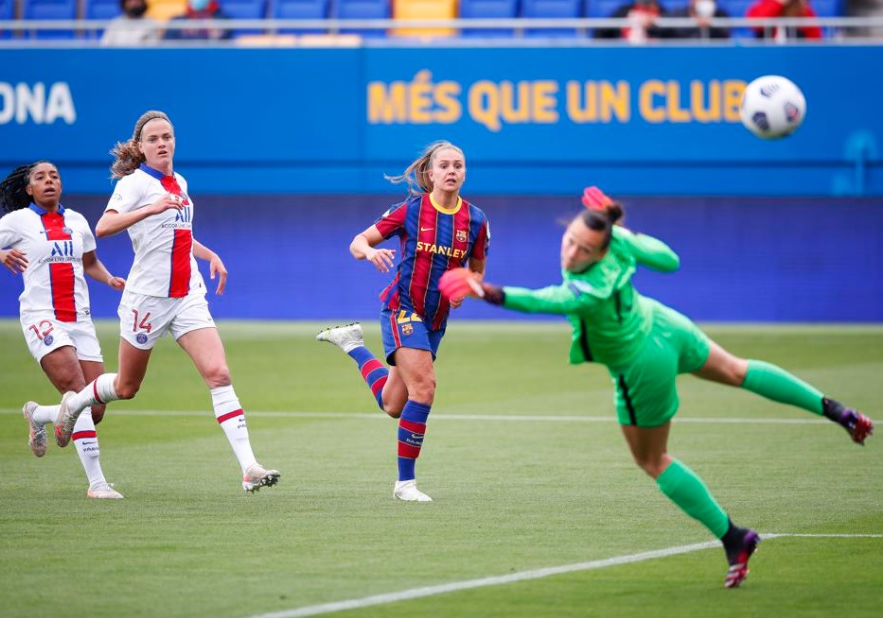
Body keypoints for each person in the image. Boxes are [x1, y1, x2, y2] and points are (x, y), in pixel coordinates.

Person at [440, 186, 873, 587]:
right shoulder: (618, 247)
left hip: (642, 364)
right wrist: (619, 228)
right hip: (665, 325)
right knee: (739, 371)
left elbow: (547, 301)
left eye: (584, 248)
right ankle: (836, 411)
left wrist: (488, 291)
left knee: (652, 460)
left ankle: (733, 537)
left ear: (601, 250)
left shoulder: (588, 288)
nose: (571, 252)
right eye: (569, 239)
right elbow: (668, 260)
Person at [46, 110, 280, 494]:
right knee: (126, 387)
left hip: (186, 294)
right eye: (153, 138)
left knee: (219, 373)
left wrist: (209, 255)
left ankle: (249, 468)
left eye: (167, 136)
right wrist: (149, 207)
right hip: (148, 299)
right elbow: (103, 227)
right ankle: (74, 405)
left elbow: (178, 232)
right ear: (141, 147)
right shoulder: (134, 184)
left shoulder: (180, 181)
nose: (162, 143)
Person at [316, 141, 490, 502]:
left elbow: (475, 271)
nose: (452, 171)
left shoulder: (475, 220)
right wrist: (369, 252)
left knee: (394, 404)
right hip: (402, 309)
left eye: (458, 165)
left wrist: (465, 288)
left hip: (435, 319)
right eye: (444, 165)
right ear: (430, 173)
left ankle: (352, 345)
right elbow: (358, 241)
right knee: (424, 388)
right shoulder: (410, 210)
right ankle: (405, 484)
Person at [0, 161, 126, 500]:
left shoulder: (77, 221)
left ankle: (38, 415)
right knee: (76, 390)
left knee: (94, 409)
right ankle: (97, 483)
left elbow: (89, 262)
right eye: (40, 177)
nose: (49, 181)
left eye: (54, 176)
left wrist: (109, 278)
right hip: (42, 316)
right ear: (29, 189)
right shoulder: (18, 221)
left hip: (80, 320)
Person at [593, 0, 670, 42]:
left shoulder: (665, 14)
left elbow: (672, 39)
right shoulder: (623, 11)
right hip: (625, 58)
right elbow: (601, 32)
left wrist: (651, 27)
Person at [746, 0, 822, 40]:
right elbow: (755, 24)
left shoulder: (804, 11)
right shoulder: (766, 5)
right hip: (767, 57)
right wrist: (778, 3)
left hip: (795, 59)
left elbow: (815, 39)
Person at [163, 0, 232, 41]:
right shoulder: (177, 21)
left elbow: (230, 44)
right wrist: (185, 34)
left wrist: (216, 35)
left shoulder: (223, 21)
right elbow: (165, 45)